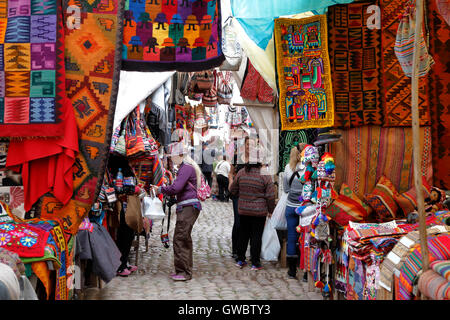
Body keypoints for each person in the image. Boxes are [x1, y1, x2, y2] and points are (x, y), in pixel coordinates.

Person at [153, 142, 202, 281]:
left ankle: (183, 272)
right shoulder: (186, 168)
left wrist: (160, 189)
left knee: (180, 238)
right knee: (184, 238)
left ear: (180, 155)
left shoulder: (186, 168)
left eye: (172, 156)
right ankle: (185, 270)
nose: (171, 159)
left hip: (188, 207)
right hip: (187, 206)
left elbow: (176, 188)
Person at [229, 159, 276, 271]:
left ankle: (240, 259)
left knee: (243, 234)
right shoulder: (265, 175)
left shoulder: (241, 172)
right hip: (259, 211)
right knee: (256, 236)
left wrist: (241, 195)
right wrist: (271, 210)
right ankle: (255, 262)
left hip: (244, 210)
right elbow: (270, 195)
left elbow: (233, 189)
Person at [283, 143, 308, 279]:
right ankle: (305, 272)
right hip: (305, 209)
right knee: (305, 238)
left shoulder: (288, 168)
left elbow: (286, 189)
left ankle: (292, 271)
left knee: (292, 237)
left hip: (290, 206)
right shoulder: (307, 169)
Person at [228, 137, 250, 259]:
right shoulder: (237, 157)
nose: (249, 147)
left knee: (246, 222)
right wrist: (231, 182)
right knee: (238, 221)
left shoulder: (256, 159)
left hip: (251, 194)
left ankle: (242, 249)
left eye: (252, 145)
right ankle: (235, 249)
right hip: (237, 193)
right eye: (248, 144)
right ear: (245, 145)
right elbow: (231, 172)